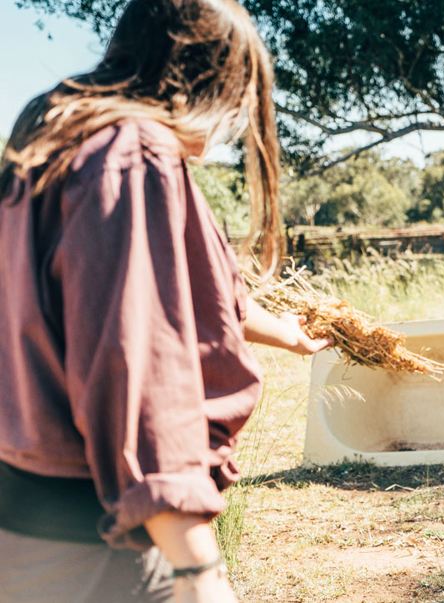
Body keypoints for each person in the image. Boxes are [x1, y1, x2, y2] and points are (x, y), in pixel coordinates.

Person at [0, 1, 326, 601]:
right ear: (210, 80)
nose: (234, 127)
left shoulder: (54, 130)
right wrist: (199, 570)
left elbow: (185, 300)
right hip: (98, 538)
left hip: (23, 517)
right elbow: (135, 365)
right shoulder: (133, 153)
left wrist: (289, 332)